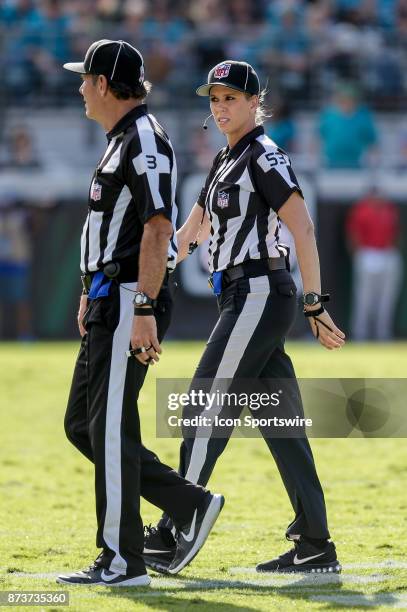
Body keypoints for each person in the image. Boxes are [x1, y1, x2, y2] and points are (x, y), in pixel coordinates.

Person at [143, 60, 346, 574]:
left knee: (202, 406)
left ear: (256, 102)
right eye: (214, 98)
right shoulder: (222, 162)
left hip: (260, 292)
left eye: (231, 97)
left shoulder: (266, 157)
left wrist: (314, 302)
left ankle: (177, 526)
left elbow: (303, 229)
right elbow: (190, 234)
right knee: (283, 428)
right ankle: (316, 543)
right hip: (241, 296)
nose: (220, 107)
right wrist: (147, 278)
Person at [57, 39, 224, 588]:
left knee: (106, 429)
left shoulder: (144, 139)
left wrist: (144, 306)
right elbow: (117, 229)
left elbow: (157, 227)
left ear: (105, 83)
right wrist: (90, 287)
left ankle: (122, 561)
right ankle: (188, 505)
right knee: (85, 425)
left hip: (133, 297)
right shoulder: (121, 139)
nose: (81, 88)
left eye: (85, 79)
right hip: (112, 294)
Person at [347, 186, 403, 340]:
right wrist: (359, 254)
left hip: (387, 253)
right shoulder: (361, 210)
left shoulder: (390, 210)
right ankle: (361, 334)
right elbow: (353, 235)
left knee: (386, 299)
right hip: (367, 254)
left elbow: (395, 233)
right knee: (364, 299)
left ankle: (383, 333)